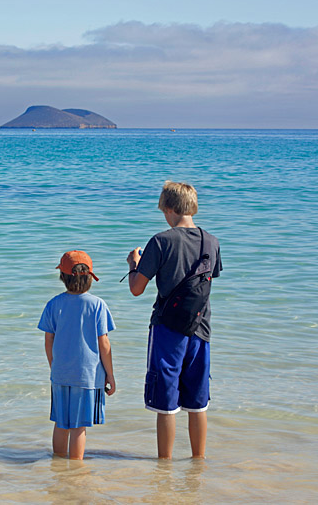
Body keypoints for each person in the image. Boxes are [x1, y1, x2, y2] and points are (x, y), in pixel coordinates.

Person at [126, 181, 222, 459]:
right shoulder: (211, 241)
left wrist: (134, 264)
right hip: (201, 329)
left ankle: (164, 465)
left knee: (166, 403)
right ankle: (198, 461)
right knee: (198, 402)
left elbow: (136, 288)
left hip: (168, 328)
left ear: (168, 209)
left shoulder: (161, 241)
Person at [38, 250, 116, 460]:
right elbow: (104, 344)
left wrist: (54, 366)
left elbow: (48, 340)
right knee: (79, 427)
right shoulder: (98, 305)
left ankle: (58, 465)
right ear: (90, 277)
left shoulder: (53, 304)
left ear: (62, 277)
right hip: (87, 375)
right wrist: (110, 375)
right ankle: (75, 470)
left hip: (61, 374)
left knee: (61, 423)